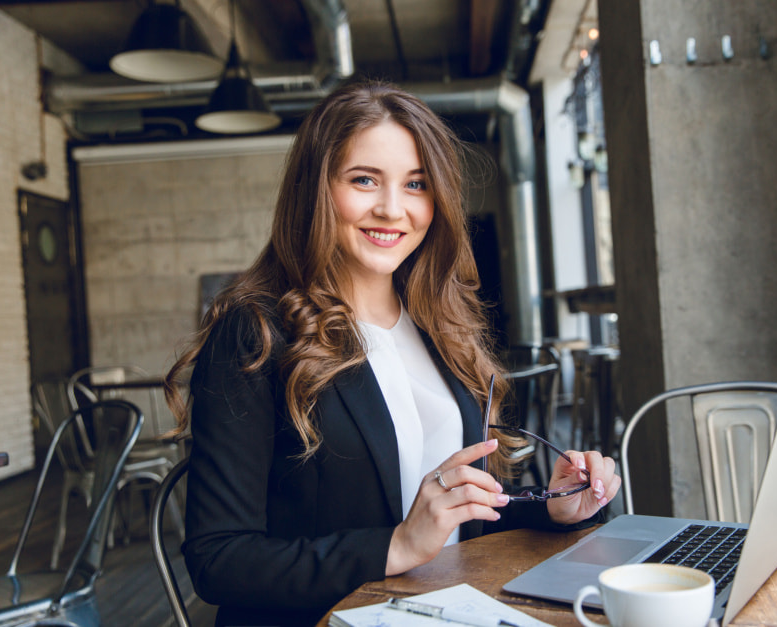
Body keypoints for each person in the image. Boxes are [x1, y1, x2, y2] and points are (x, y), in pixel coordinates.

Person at [164, 79, 622, 625]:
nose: (392, 209)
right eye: (364, 180)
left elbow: (452, 521)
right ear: (316, 190)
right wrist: (396, 547)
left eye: (416, 185)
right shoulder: (255, 332)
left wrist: (553, 507)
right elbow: (218, 560)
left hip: (452, 607)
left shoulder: (438, 323)